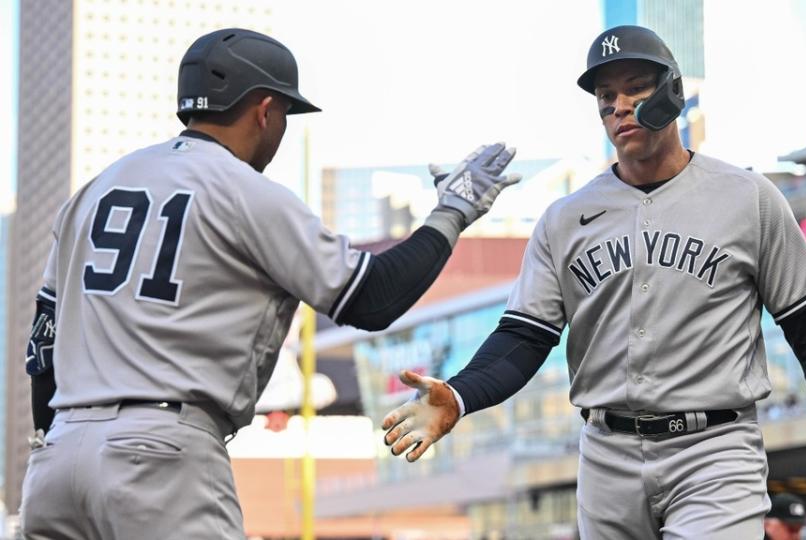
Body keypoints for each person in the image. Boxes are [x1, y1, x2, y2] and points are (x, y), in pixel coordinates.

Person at [380, 25, 806, 540]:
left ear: (673, 92)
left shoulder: (747, 199)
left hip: (715, 448)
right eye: (605, 96)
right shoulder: (565, 218)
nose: (618, 106)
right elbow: (525, 337)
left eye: (636, 88)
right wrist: (459, 394)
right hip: (605, 455)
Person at [20, 28, 520, 539]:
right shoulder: (244, 191)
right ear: (263, 110)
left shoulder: (94, 190)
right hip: (159, 457)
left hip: (58, 459)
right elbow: (373, 298)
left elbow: (43, 348)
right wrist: (451, 213)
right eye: (284, 113)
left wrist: (60, 435)